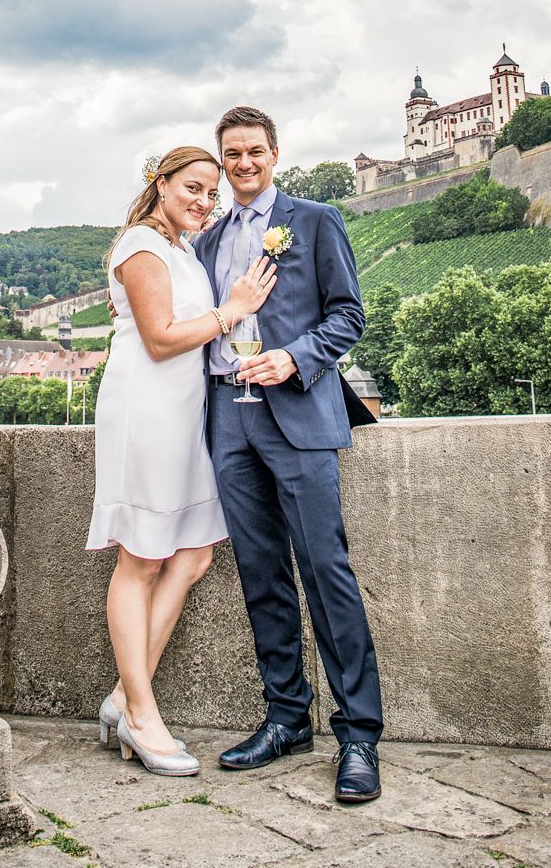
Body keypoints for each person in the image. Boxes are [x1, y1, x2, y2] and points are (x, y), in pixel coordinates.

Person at [196, 105, 383, 803]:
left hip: (297, 410)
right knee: (260, 572)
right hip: (226, 415)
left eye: (254, 153)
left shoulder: (313, 220)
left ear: (275, 155)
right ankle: (286, 718)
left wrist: (294, 358)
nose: (243, 164)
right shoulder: (208, 238)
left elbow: (348, 315)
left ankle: (359, 733)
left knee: (325, 570)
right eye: (232, 155)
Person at [87, 144, 276, 777]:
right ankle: (142, 712)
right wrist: (234, 311)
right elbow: (163, 339)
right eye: (191, 188)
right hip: (147, 408)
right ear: (160, 185)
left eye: (210, 193)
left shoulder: (182, 249)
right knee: (140, 557)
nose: (203, 201)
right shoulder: (141, 245)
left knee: (193, 554)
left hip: (184, 413)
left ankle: (123, 696)